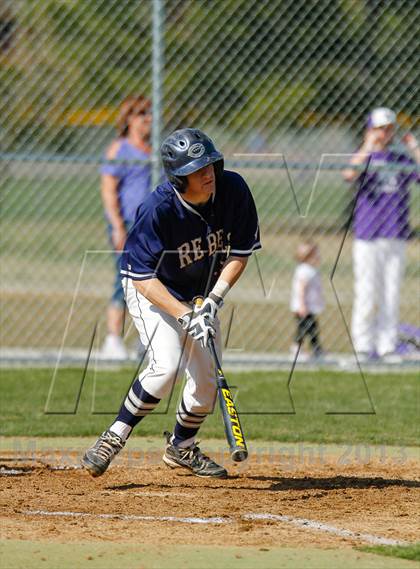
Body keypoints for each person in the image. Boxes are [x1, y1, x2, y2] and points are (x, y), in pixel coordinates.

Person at [82, 128, 261, 478]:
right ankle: (114, 436)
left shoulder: (233, 190)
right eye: (196, 169)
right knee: (165, 365)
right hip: (153, 291)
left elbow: (240, 251)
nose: (207, 173)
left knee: (206, 386)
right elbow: (141, 277)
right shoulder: (157, 209)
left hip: (199, 296)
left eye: (209, 163)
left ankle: (181, 447)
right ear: (179, 178)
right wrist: (181, 314)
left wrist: (212, 301)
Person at [342, 107, 419, 360]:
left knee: (391, 291)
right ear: (370, 130)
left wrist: (414, 148)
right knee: (366, 291)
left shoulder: (400, 158)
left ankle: (387, 345)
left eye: (388, 128)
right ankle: (363, 344)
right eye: (379, 128)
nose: (384, 133)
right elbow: (349, 174)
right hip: (367, 235)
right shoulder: (365, 158)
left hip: (394, 233)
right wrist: (368, 146)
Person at [99, 95, 152, 359]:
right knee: (126, 280)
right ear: (129, 119)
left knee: (155, 282)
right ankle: (113, 340)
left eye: (149, 114)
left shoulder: (153, 150)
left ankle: (147, 339)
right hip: (129, 224)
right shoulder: (120, 149)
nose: (148, 119)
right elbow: (109, 190)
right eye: (142, 114)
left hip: (152, 226)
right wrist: (118, 226)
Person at [290, 241, 324, 358]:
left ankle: (317, 349)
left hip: (309, 307)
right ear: (308, 257)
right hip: (304, 307)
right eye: (316, 255)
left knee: (311, 329)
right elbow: (301, 289)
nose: (319, 257)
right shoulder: (305, 270)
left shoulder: (310, 269)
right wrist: (302, 305)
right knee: (304, 329)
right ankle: (297, 349)